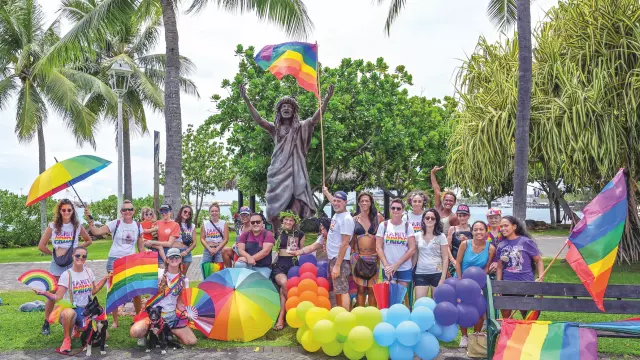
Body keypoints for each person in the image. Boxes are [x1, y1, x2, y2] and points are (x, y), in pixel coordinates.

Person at [239, 83, 334, 231]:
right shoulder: (275, 129)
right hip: (277, 172)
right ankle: (278, 237)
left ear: (294, 111)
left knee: (295, 204)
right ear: (279, 111)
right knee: (274, 210)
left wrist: (326, 100)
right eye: (283, 107)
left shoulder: (301, 127)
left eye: (289, 107)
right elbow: (259, 120)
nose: (286, 109)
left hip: (295, 172)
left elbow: (314, 120)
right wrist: (247, 100)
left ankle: (293, 236)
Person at [35, 247, 109, 353]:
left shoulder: (88, 271)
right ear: (72, 256)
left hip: (88, 311)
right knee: (68, 314)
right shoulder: (67, 275)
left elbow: (93, 291)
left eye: (84, 256)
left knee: (105, 336)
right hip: (73, 309)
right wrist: (45, 293)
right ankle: (67, 339)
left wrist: (106, 278)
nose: (81, 258)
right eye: (78, 255)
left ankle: (79, 329)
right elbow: (58, 297)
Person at [85, 200, 145, 328]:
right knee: (114, 290)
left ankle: (138, 318)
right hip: (114, 260)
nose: (127, 212)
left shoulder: (138, 226)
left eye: (130, 209)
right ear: (121, 212)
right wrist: (90, 221)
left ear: (134, 211)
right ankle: (115, 322)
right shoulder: (115, 223)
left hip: (131, 261)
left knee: (136, 291)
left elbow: (140, 245)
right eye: (124, 210)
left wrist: (143, 260)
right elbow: (96, 232)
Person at [37, 199, 92, 336]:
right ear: (59, 211)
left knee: (74, 293)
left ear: (73, 211)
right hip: (57, 265)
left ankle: (75, 321)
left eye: (69, 210)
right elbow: (41, 246)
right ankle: (46, 322)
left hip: (72, 263)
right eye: (63, 210)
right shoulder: (53, 226)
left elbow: (89, 240)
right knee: (53, 293)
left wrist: (76, 250)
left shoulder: (77, 226)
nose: (66, 212)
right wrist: (55, 254)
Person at [130, 248, 197, 346]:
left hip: (171, 317)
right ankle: (145, 333)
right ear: (166, 259)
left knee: (191, 342)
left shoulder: (184, 280)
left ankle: (166, 332)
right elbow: (141, 268)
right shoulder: (158, 273)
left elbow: (179, 303)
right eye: (171, 257)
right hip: (153, 315)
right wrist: (146, 256)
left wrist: (186, 312)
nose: (174, 259)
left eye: (176, 257)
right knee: (135, 331)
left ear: (180, 259)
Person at [455, 220, 496, 347]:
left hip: (478, 284)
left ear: (486, 231)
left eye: (481, 229)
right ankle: (464, 336)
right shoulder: (465, 244)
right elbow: (458, 263)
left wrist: (479, 285)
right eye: (476, 229)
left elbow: (486, 268)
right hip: (462, 280)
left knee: (478, 308)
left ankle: (476, 334)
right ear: (472, 231)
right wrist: (461, 282)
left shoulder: (491, 248)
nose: (478, 232)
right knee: (463, 309)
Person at [496, 216, 544, 319]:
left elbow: (538, 260)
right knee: (506, 315)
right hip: (507, 284)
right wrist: (499, 284)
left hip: (526, 283)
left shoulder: (526, 242)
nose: (503, 228)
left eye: (506, 225)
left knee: (528, 316)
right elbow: (499, 267)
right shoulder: (501, 245)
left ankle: (528, 333)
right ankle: (509, 333)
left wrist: (541, 277)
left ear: (514, 227)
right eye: (501, 226)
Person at [376, 198, 417, 304]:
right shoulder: (384, 225)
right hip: (388, 268)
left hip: (404, 267)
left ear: (403, 210)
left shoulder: (408, 226)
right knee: (389, 297)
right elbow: (378, 247)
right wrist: (386, 265)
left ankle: (402, 318)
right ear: (390, 209)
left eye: (398, 208)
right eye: (393, 208)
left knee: (400, 298)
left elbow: (412, 249)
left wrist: (396, 265)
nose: (395, 210)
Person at [321, 188, 355, 310]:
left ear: (345, 202)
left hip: (339, 259)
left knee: (343, 289)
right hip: (333, 258)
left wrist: (337, 265)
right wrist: (326, 193)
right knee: (338, 289)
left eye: (339, 201)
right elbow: (334, 201)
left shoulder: (346, 219)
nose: (335, 203)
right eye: (334, 201)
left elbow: (345, 244)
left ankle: (345, 316)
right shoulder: (338, 213)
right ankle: (341, 312)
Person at [272, 211, 305, 330]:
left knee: (283, 291)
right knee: (284, 283)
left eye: (291, 220)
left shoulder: (300, 234)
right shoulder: (277, 233)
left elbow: (302, 251)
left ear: (294, 222)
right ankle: (294, 308)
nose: (288, 222)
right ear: (282, 221)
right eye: (286, 219)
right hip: (279, 265)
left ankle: (281, 317)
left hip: (293, 265)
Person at [349, 192, 384, 307]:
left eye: (367, 201)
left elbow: (384, 237)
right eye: (362, 201)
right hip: (358, 258)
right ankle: (360, 315)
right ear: (358, 203)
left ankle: (372, 315)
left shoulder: (378, 218)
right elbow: (350, 240)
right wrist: (353, 254)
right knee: (360, 289)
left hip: (374, 258)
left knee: (372, 289)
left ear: (371, 203)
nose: (364, 203)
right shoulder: (354, 220)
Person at [414, 209, 449, 300]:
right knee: (419, 304)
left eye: (433, 218)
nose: (430, 220)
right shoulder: (417, 236)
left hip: (437, 273)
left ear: (436, 220)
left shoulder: (441, 236)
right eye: (427, 218)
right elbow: (415, 256)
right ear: (423, 220)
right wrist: (410, 270)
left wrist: (443, 277)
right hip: (421, 273)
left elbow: (445, 258)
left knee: (437, 304)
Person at [235, 213, 276, 279]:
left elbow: (265, 251)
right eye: (253, 222)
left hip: (263, 267)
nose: (255, 224)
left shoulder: (268, 234)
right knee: (239, 264)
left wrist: (251, 259)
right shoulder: (244, 235)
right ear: (250, 224)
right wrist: (248, 258)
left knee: (259, 284)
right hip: (248, 264)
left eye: (258, 222)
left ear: (262, 223)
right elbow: (241, 250)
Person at [200, 203, 229, 277]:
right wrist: (209, 249)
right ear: (209, 212)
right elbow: (202, 239)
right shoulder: (205, 224)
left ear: (219, 212)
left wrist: (217, 249)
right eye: (212, 211)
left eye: (216, 211)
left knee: (219, 271)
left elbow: (226, 239)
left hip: (219, 250)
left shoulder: (223, 223)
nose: (214, 213)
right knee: (206, 271)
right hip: (208, 250)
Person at [430, 166, 459, 233]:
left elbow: (455, 234)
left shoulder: (454, 217)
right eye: (446, 200)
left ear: (454, 202)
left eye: (451, 201)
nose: (448, 202)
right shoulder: (438, 208)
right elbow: (436, 190)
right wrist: (432, 173)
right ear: (443, 200)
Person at [447, 204, 473, 277]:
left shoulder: (472, 230)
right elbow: (447, 247)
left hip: (468, 261)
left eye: (464, 216)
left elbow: (476, 246)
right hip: (454, 261)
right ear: (457, 216)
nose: (462, 218)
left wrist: (467, 240)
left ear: (469, 216)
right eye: (460, 216)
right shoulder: (452, 229)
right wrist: (452, 261)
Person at [174, 205, 197, 276]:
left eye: (189, 213)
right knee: (175, 274)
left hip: (187, 252)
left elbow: (194, 243)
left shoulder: (192, 226)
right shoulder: (174, 224)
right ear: (181, 212)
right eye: (185, 211)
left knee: (183, 275)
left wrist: (186, 251)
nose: (187, 214)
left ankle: (183, 287)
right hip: (176, 251)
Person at [486, 208, 503, 275]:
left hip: (502, 262)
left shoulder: (504, 230)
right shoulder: (483, 230)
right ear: (487, 218)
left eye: (496, 218)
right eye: (491, 218)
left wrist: (498, 263)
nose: (493, 220)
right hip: (487, 263)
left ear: (500, 218)